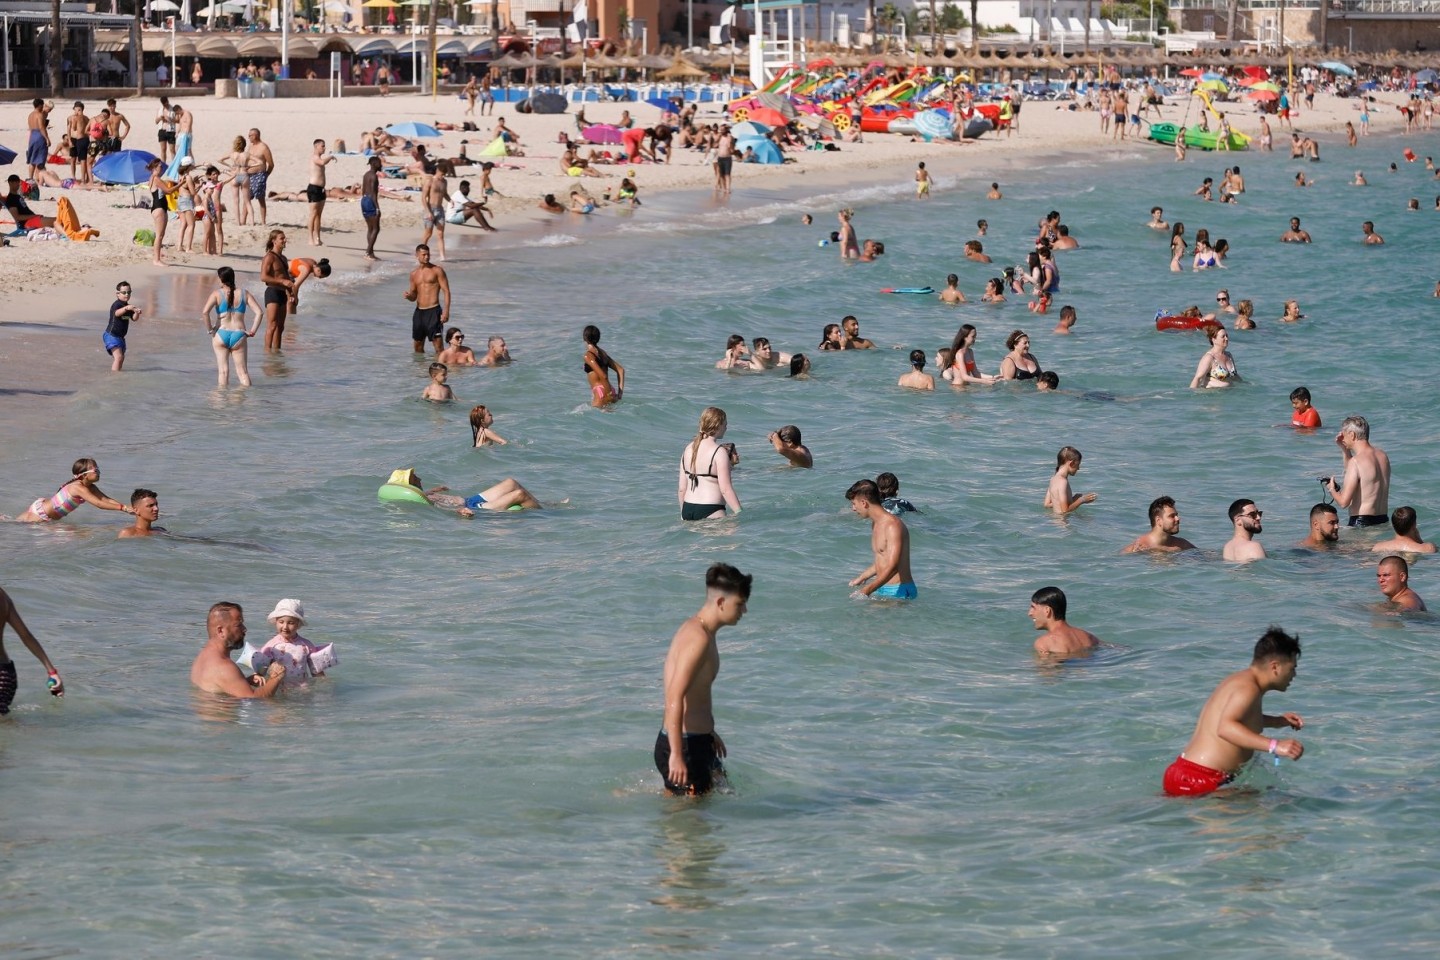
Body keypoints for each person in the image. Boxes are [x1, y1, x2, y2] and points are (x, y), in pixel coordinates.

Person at [1161, 627, 1304, 797]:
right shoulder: (1248, 688)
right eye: (1292, 668)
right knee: (1268, 807)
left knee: (1259, 801)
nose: (1294, 674)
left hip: (1185, 773)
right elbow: (1226, 728)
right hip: (1200, 779)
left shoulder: (1242, 681)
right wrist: (1275, 746)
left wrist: (1279, 721)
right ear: (1275, 667)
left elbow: (1243, 720)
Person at [655, 562, 752, 796]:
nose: (744, 611)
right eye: (739, 604)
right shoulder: (698, 639)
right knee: (691, 825)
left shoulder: (698, 630)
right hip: (687, 746)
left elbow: (692, 694)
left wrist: (709, 732)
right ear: (721, 603)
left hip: (694, 740)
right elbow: (674, 696)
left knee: (720, 788)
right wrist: (677, 755)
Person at [190, 602, 287, 699]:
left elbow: (218, 688)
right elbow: (254, 699)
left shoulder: (201, 658)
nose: (244, 629)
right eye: (238, 625)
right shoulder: (224, 667)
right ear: (220, 631)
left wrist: (244, 682)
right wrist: (276, 677)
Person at [846, 479, 916, 600]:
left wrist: (866, 591)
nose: (853, 508)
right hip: (882, 587)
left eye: (854, 503)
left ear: (864, 503)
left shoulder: (893, 526)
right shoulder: (876, 524)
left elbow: (894, 566)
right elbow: (883, 560)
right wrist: (862, 577)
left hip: (899, 591)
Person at [0, 585, 65, 713]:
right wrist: (52, 672)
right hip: (7, 676)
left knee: (9, 726)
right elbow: (26, 636)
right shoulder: (3, 596)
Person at [17, 458, 133, 524]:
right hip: (41, 514)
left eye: (98, 469)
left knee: (14, 522)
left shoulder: (91, 487)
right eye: (95, 470)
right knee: (15, 525)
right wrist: (123, 508)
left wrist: (126, 507)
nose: (98, 472)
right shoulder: (77, 487)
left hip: (45, 509)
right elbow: (99, 504)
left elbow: (105, 499)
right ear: (84, 475)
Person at [1322, 415, 1391, 527]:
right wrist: (1344, 449)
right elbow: (1359, 474)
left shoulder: (1355, 462)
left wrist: (1331, 489)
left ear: (1352, 435)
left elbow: (1344, 502)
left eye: (1344, 435)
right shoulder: (1383, 456)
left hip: (1362, 523)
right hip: (1383, 520)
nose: (1342, 438)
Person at [200, 267, 263, 387]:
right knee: (243, 373)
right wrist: (252, 331)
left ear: (222, 279)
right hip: (239, 335)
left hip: (221, 333)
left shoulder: (216, 294)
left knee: (223, 372)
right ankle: (244, 402)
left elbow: (205, 312)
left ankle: (222, 403)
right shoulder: (245, 293)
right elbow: (259, 312)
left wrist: (210, 330)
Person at [251, 599, 334, 684]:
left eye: (290, 623)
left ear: (298, 624)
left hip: (302, 688)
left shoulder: (306, 645)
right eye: (281, 622)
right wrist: (257, 677)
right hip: (279, 688)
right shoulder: (271, 646)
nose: (285, 627)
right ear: (276, 622)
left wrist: (325, 686)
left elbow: (316, 671)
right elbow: (261, 669)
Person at [679, 407, 740, 520]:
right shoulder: (719, 452)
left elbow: (682, 488)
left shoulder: (687, 449)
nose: (726, 427)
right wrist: (739, 512)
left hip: (687, 509)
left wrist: (683, 513)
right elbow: (725, 489)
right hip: (711, 509)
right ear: (718, 425)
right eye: (725, 424)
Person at [411, 471, 541, 514]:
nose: (420, 478)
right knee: (519, 494)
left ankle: (540, 504)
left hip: (470, 500)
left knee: (511, 482)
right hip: (473, 508)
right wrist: (461, 511)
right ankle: (546, 514)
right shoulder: (422, 499)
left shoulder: (425, 494)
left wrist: (436, 489)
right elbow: (442, 509)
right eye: (415, 478)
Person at [1028, 586, 1100, 658]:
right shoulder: (1089, 637)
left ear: (1047, 610)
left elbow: (1047, 668)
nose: (1030, 613)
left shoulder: (1044, 643)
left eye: (1033, 607)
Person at [405, 244, 451, 355]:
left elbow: (446, 291)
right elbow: (414, 296)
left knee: (438, 347)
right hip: (419, 313)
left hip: (433, 311)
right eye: (424, 254)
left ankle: (440, 370)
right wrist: (409, 296)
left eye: (428, 254)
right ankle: (420, 371)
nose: (427, 257)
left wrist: (446, 311)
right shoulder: (413, 274)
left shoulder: (437, 270)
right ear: (417, 255)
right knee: (417, 347)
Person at [258, 230, 295, 351]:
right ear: (274, 241)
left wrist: (291, 293)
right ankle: (267, 353)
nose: (284, 240)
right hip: (272, 292)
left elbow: (286, 278)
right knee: (272, 325)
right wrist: (282, 282)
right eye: (282, 239)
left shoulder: (283, 258)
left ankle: (277, 355)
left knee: (280, 327)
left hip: (282, 294)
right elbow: (263, 277)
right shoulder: (269, 257)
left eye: (285, 238)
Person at [1122, 495, 1197, 553]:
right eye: (1172, 516)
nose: (1178, 519)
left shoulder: (1182, 545)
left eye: (1176, 515)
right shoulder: (1139, 548)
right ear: (1158, 520)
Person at [100, 280, 142, 373]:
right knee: (118, 357)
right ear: (117, 294)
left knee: (121, 358)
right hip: (111, 335)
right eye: (124, 292)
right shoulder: (117, 304)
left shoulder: (129, 307)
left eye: (129, 292)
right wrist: (126, 308)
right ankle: (114, 377)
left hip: (120, 337)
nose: (126, 294)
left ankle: (118, 375)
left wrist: (136, 312)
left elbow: (134, 319)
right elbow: (117, 313)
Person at [1043, 446, 1096, 516]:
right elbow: (1064, 511)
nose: (1078, 468)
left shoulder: (1053, 479)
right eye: (1078, 465)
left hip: (1055, 522)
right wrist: (1081, 500)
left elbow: (1047, 504)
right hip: (1063, 524)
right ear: (1071, 463)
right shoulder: (1063, 482)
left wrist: (1073, 499)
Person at [582, 324, 623, 407]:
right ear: (598, 338)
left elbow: (603, 376)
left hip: (601, 392)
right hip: (609, 389)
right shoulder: (603, 353)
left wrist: (608, 395)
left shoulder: (588, 355)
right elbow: (620, 370)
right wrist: (620, 393)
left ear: (584, 338)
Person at [1189, 325, 1239, 389]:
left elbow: (1235, 377)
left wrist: (1247, 384)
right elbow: (1198, 378)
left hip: (1228, 395)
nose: (1226, 338)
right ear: (1214, 339)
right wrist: (1191, 396)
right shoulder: (1209, 357)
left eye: (1227, 336)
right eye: (1223, 336)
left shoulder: (1228, 355)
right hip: (1213, 395)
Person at [306, 138, 335, 246]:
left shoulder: (319, 158)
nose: (324, 148)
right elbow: (322, 162)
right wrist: (331, 157)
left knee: (319, 215)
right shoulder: (314, 158)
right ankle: (310, 238)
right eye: (322, 146)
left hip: (322, 189)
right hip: (314, 188)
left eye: (324, 146)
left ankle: (317, 237)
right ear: (316, 146)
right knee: (313, 214)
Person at [246, 128, 275, 226]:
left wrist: (266, 175)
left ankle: (263, 221)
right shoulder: (250, 146)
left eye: (250, 135)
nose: (248, 137)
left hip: (259, 175)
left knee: (260, 197)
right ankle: (245, 220)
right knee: (247, 198)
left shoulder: (263, 147)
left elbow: (271, 164)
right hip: (248, 175)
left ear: (256, 136)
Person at [361, 156, 382, 260]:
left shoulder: (366, 175)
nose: (381, 165)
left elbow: (363, 190)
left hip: (364, 200)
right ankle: (367, 252)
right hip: (370, 201)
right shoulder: (373, 176)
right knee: (376, 228)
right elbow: (374, 194)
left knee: (370, 228)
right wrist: (377, 208)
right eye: (379, 163)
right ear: (374, 164)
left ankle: (371, 253)